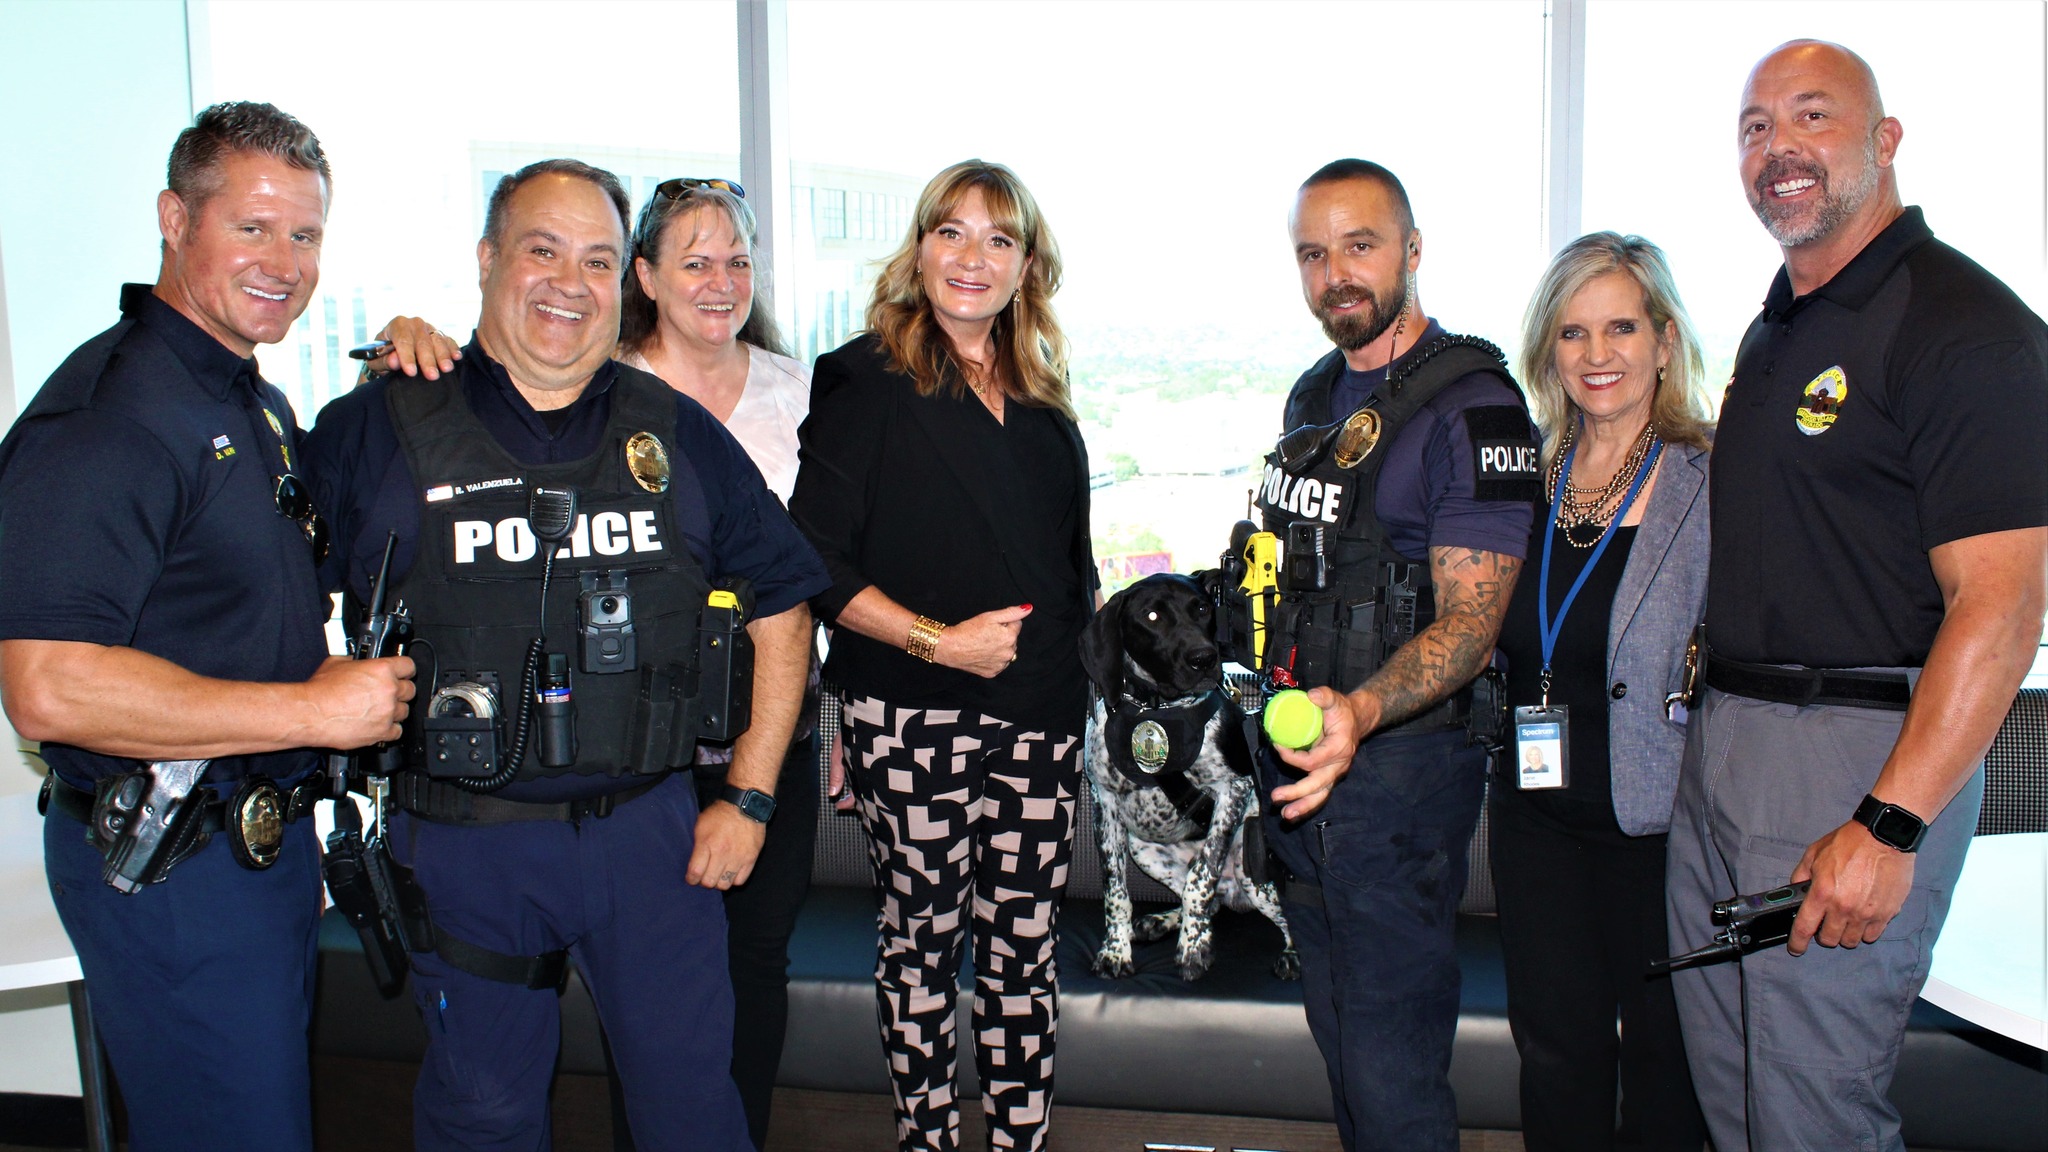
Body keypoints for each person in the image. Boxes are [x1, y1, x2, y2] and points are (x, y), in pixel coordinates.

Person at [300, 159, 827, 1151]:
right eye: (542, 250)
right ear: (487, 258)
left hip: (650, 838)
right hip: (465, 842)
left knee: (692, 1115)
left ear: (621, 279)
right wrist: (307, 702)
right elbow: (270, 594)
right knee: (484, 1119)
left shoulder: (672, 430)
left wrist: (751, 797)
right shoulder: (380, 426)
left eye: (593, 259)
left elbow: (785, 607)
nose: (568, 283)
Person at [0, 102, 414, 1150]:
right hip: (174, 865)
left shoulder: (245, 401)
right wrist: (313, 713)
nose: (284, 262)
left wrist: (399, 382)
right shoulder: (110, 419)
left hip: (251, 853)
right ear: (175, 219)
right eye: (253, 227)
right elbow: (48, 686)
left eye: (305, 234)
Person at [1667, 40, 2048, 1151]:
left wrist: (1887, 824)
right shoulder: (1779, 324)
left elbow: (2002, 607)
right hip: (1730, 742)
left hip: (1851, 760)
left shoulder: (1963, 329)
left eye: (1811, 116)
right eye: (1754, 128)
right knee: (1738, 1105)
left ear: (1884, 141)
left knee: (1811, 1118)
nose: (1777, 147)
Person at [787, 159, 1096, 1152]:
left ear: (1026, 266)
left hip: (1043, 719)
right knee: (921, 951)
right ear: (918, 250)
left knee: (1024, 959)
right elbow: (813, 564)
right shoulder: (863, 379)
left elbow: (1073, 568)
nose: (973, 257)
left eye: (999, 239)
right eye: (951, 232)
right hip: (913, 717)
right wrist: (938, 643)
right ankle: (925, 1141)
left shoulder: (1045, 397)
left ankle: (1018, 1142)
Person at [1257, 159, 1539, 1152]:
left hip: (1399, 776)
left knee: (1391, 1066)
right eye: (1312, 253)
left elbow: (1471, 626)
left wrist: (1361, 714)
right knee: (1341, 1040)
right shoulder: (1314, 393)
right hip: (1299, 765)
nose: (1335, 273)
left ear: (1412, 251)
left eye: (1360, 245)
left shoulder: (1475, 407)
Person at [1493, 232, 1712, 1152]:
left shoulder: (1713, 479)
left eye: (1621, 327)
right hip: (1534, 819)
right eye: (1573, 333)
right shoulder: (1522, 481)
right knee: (1554, 1054)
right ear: (1549, 351)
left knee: (1668, 1063)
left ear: (1665, 340)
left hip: (1659, 826)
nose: (1597, 354)